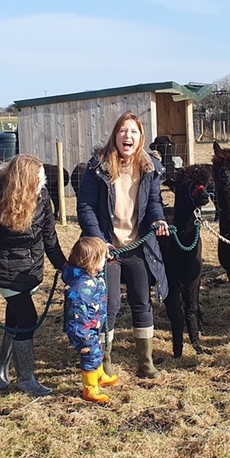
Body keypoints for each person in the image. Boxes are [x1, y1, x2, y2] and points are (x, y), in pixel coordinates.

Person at [0, 154, 67, 396]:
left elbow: (50, 238)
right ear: (23, 181)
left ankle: (1, 370)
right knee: (27, 318)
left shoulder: (41, 198)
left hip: (30, 271)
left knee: (15, 319)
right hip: (6, 272)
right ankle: (26, 378)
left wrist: (65, 267)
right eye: (38, 179)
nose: (43, 182)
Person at [77, 111, 170, 380]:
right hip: (108, 249)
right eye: (122, 131)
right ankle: (104, 360)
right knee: (110, 306)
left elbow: (153, 203)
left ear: (140, 138)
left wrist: (158, 220)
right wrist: (98, 239)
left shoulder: (150, 168)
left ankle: (146, 363)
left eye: (133, 132)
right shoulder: (98, 167)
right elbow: (85, 207)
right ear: (115, 135)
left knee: (142, 302)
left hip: (139, 247)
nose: (127, 136)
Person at [62, 237, 118, 403]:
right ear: (91, 262)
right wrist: (83, 333)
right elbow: (77, 314)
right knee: (91, 355)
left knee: (97, 350)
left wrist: (104, 249)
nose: (104, 261)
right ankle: (90, 389)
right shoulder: (81, 288)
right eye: (101, 258)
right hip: (83, 330)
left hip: (93, 325)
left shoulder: (91, 276)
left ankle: (99, 374)